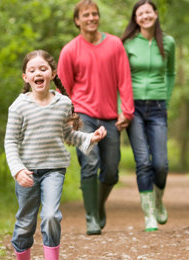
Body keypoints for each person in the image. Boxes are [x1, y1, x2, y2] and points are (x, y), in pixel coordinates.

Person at [5, 50, 107, 260]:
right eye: (32, 70)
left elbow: (67, 134)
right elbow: (10, 141)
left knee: (51, 216)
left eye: (42, 69)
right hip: (27, 172)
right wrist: (18, 170)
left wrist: (90, 138)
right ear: (25, 77)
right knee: (24, 225)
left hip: (54, 169)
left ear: (51, 73)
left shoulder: (63, 103)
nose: (38, 73)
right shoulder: (18, 107)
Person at [58, 0, 135, 235]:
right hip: (83, 116)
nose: (91, 18)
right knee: (90, 163)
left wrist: (127, 111)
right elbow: (63, 88)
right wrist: (69, 118)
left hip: (110, 116)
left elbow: (124, 79)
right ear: (77, 21)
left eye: (94, 14)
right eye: (86, 15)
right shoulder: (70, 50)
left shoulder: (114, 45)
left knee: (111, 170)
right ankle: (91, 217)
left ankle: (98, 205)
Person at [121, 0, 176, 231]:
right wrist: (121, 108)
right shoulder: (128, 44)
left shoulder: (169, 42)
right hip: (133, 108)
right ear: (135, 18)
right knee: (143, 161)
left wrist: (166, 97)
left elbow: (171, 73)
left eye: (148, 12)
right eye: (140, 13)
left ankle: (158, 199)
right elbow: (120, 77)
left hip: (157, 107)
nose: (145, 16)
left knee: (161, 164)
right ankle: (149, 214)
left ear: (155, 14)